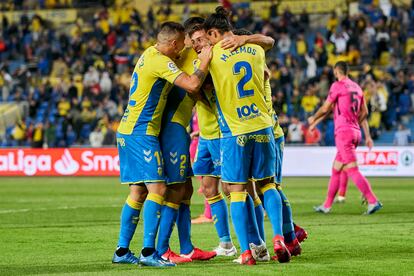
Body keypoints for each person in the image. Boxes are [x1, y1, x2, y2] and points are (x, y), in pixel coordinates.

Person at [112, 22, 212, 267]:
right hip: (140, 132)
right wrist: (206, 60)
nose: (180, 53)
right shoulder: (160, 60)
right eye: (180, 47)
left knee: (138, 192)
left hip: (128, 130)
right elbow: (191, 85)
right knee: (159, 189)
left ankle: (122, 250)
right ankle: (150, 253)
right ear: (175, 43)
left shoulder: (148, 53)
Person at [204, 7, 290, 265]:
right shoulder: (256, 49)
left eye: (208, 37)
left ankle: (246, 252)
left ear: (213, 32)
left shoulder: (213, 54)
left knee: (238, 191)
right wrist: (247, 38)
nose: (207, 42)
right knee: (267, 185)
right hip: (264, 126)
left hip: (235, 132)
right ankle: (278, 237)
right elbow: (269, 41)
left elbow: (196, 83)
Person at [156, 29, 216, 264]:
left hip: (180, 128)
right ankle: (162, 249)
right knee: (175, 189)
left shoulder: (190, 56)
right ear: (190, 40)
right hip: (173, 128)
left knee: (187, 190)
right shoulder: (190, 56)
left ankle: (187, 247)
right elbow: (193, 86)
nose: (204, 44)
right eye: (199, 40)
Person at [308, 61, 382, 215]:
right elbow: (366, 113)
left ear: (336, 71)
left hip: (344, 133)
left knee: (352, 170)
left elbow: (325, 108)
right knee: (336, 169)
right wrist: (367, 135)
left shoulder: (337, 86)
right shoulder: (357, 87)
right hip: (355, 132)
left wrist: (313, 117)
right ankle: (327, 205)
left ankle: (373, 201)